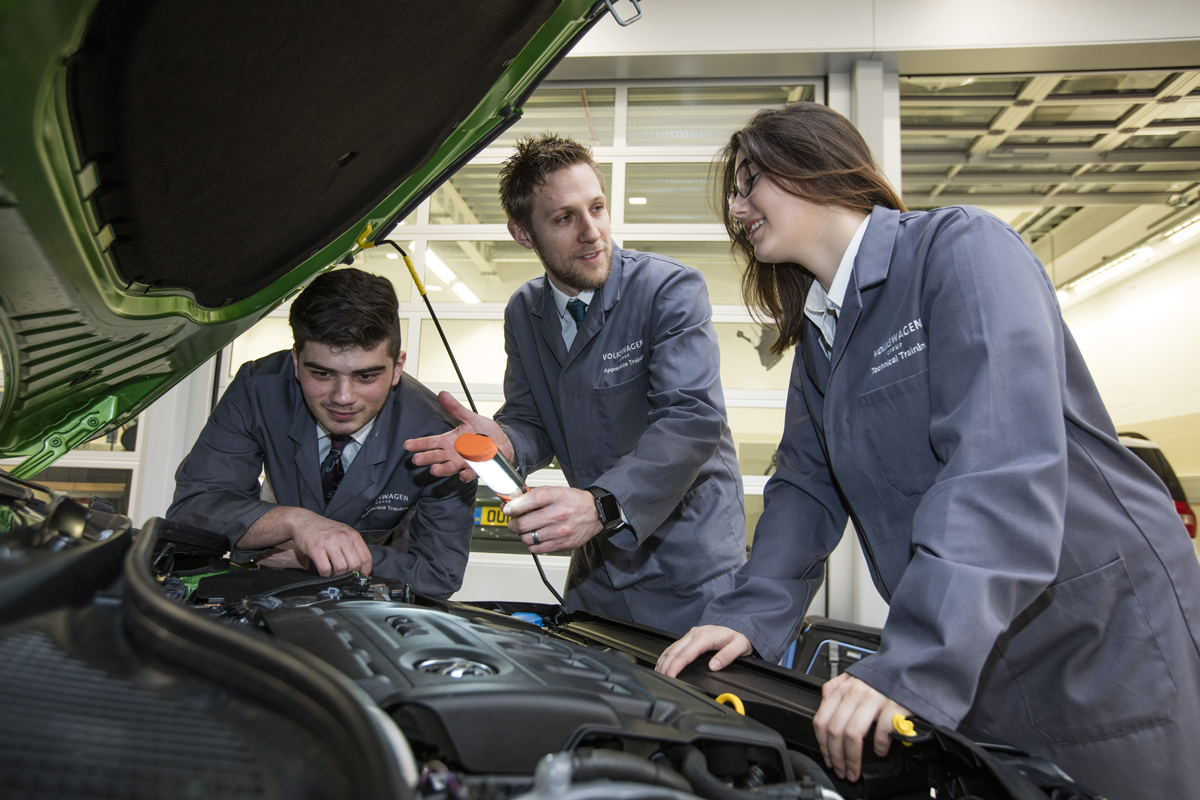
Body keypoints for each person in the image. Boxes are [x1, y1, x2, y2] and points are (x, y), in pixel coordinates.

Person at [654, 102, 1200, 800]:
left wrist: (911, 665)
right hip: (978, 640)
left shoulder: (960, 250)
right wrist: (745, 618)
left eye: (748, 182)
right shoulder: (823, 338)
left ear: (814, 166)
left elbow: (998, 468)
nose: (735, 210)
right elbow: (803, 490)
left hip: (1095, 633)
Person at [405, 134, 746, 635]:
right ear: (523, 234)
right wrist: (503, 440)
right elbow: (531, 420)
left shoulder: (668, 290)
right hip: (598, 567)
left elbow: (691, 422)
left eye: (598, 208)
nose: (593, 233)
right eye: (565, 218)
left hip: (692, 570)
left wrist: (603, 504)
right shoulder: (525, 312)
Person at [169, 268, 476, 598]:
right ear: (296, 360)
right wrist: (294, 522)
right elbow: (194, 508)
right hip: (262, 590)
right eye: (322, 373)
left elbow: (438, 574)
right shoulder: (257, 391)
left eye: (366, 377)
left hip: (370, 605)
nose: (342, 397)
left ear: (397, 367)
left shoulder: (439, 434)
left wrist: (317, 557)